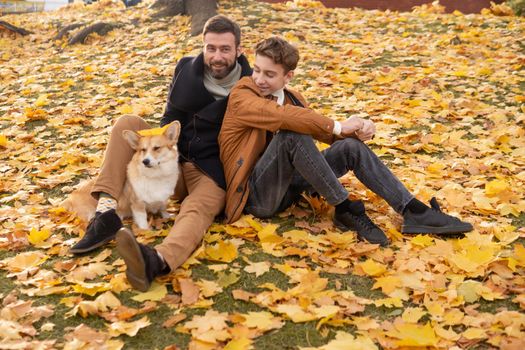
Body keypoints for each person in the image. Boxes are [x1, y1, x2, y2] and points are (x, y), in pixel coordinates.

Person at [219, 36, 473, 247]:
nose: (260, 79)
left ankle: (413, 210)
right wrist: (338, 125)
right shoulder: (242, 93)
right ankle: (344, 208)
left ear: (288, 77)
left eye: (269, 74)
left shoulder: (294, 98)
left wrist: (360, 129)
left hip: (291, 189)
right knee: (291, 133)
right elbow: (281, 117)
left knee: (349, 147)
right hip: (256, 196)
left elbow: (326, 134)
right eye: (257, 70)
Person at [70, 15, 252, 292]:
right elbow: (169, 118)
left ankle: (157, 260)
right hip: (174, 160)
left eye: (225, 49)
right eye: (210, 48)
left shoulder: (252, 84)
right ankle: (104, 214)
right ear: (203, 46)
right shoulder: (186, 69)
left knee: (196, 210)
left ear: (238, 51)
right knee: (127, 123)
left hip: (213, 171)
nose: (216, 56)